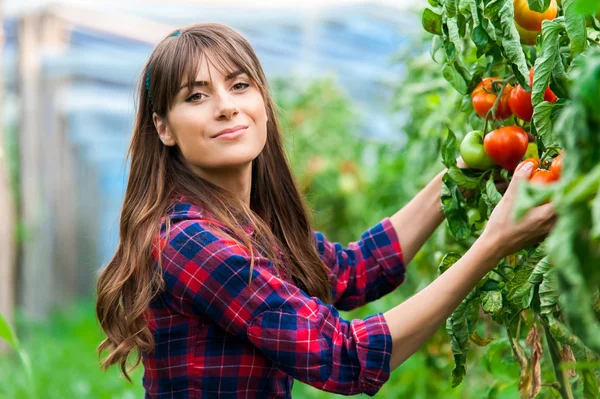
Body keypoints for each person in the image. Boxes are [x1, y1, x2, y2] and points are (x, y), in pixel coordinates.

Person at [95, 23, 556, 398]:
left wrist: (463, 176)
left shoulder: (246, 226)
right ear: (164, 127)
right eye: (196, 96)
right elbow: (344, 357)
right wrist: (494, 243)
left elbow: (353, 270)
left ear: (263, 101)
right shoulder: (193, 242)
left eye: (239, 85)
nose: (226, 107)